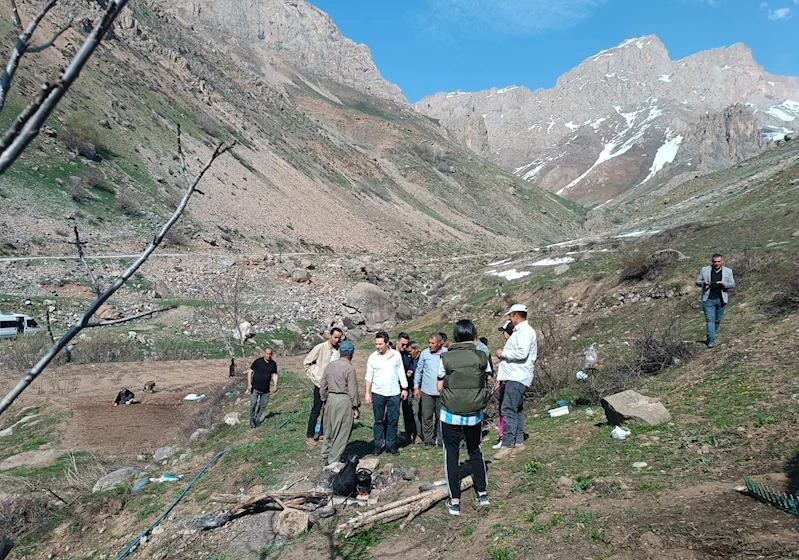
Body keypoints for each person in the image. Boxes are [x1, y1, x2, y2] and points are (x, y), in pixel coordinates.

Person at [437, 319, 491, 516]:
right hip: (474, 414)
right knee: (475, 450)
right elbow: (487, 378)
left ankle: (455, 501)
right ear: (473, 335)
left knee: (451, 455)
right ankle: (482, 493)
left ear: (455, 336)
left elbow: (439, 386)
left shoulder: (446, 357)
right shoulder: (481, 356)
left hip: (450, 413)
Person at [494, 304, 537, 460]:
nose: (509, 319)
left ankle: (508, 444)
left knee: (508, 409)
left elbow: (522, 353)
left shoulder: (525, 331)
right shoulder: (521, 332)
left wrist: (503, 353)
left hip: (517, 376)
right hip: (514, 375)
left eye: (510, 316)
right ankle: (518, 441)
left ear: (516, 315)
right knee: (516, 409)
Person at [365, 331, 408, 455]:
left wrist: (404, 388)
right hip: (378, 392)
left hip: (394, 392)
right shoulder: (373, 357)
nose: (378, 346)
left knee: (393, 420)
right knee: (378, 420)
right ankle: (378, 445)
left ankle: (391, 445)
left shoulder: (396, 355)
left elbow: (401, 371)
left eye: (380, 344)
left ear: (387, 343)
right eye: (376, 344)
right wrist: (367, 393)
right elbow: (369, 375)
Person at [320, 341, 360, 466]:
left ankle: (325, 455)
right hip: (343, 399)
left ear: (340, 352)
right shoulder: (349, 368)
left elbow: (323, 384)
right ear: (351, 354)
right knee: (342, 431)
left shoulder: (330, 365)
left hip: (331, 398)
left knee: (329, 428)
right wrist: (356, 406)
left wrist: (324, 399)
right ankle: (333, 460)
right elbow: (352, 390)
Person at [303, 327, 343, 447]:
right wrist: (315, 376)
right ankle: (310, 435)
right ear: (330, 336)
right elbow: (307, 362)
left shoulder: (338, 350)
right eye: (335, 337)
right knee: (316, 409)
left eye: (339, 338)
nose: (336, 340)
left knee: (328, 410)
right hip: (320, 384)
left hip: (332, 384)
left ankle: (323, 433)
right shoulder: (320, 347)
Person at [695, 254, 736, 349]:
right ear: (712, 261)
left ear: (722, 261)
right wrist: (703, 283)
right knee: (710, 320)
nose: (716, 263)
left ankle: (711, 335)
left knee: (717, 320)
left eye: (718, 261)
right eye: (715, 262)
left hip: (721, 299)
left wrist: (724, 284)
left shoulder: (728, 271)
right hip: (708, 299)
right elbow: (697, 282)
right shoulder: (705, 270)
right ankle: (711, 340)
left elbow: (732, 284)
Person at [414, 333, 447, 447]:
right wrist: (416, 387)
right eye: (429, 343)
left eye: (433, 343)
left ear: (440, 343)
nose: (430, 345)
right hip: (427, 391)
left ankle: (440, 438)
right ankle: (428, 439)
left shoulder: (446, 353)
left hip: (442, 391)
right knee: (426, 415)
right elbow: (419, 370)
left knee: (441, 416)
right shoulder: (424, 353)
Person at [492, 321, 515, 449]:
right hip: (505, 379)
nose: (503, 334)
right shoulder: (509, 345)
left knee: (504, 409)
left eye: (504, 331)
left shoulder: (511, 346)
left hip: (507, 379)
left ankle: (504, 436)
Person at [246, 348, 278, 428]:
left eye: (270, 354)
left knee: (263, 405)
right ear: (264, 353)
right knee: (253, 404)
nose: (268, 355)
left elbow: (274, 374)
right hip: (255, 388)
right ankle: (251, 420)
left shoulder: (273, 364)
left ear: (272, 354)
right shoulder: (258, 362)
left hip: (266, 389)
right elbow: (250, 372)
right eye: (267, 354)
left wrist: (275, 385)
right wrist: (249, 384)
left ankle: (257, 419)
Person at [402, 341, 423, 444]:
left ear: (416, 349)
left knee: (417, 411)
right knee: (407, 411)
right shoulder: (408, 358)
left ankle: (419, 434)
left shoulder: (422, 358)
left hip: (418, 388)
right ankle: (409, 433)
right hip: (408, 387)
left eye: (410, 351)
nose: (409, 353)